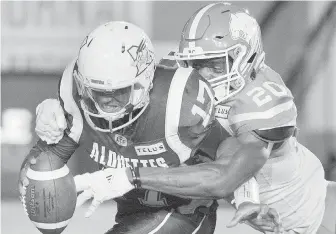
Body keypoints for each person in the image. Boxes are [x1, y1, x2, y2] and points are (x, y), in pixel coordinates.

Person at [19, 21, 282, 234]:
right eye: (97, 92)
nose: (107, 103)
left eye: (119, 92)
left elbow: (226, 163)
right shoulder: (75, 99)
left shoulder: (180, 102)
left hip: (184, 213)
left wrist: (247, 198)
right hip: (132, 213)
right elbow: (43, 163)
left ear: (144, 82)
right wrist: (37, 168)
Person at [173, 2, 336, 233]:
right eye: (198, 65)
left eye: (215, 65)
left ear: (246, 57)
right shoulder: (192, 94)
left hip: (322, 217)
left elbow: (236, 154)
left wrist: (245, 198)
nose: (204, 76)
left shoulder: (259, 99)